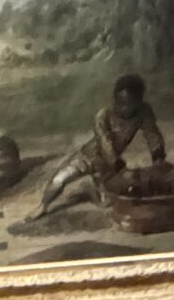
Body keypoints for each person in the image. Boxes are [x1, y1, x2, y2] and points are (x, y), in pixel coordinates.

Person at [35, 75, 166, 218]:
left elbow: (152, 134)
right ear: (114, 99)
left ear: (138, 102)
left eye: (129, 104)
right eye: (119, 102)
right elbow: (105, 143)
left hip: (106, 167)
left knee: (108, 204)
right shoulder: (103, 115)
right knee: (59, 180)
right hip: (87, 157)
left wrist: (158, 157)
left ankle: (93, 187)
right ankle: (42, 206)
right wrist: (120, 168)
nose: (122, 108)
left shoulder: (144, 111)